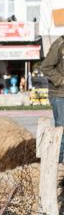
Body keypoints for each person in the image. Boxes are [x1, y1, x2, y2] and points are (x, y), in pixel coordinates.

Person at [41, 34, 64, 162]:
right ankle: (57, 165)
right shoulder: (59, 45)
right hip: (60, 95)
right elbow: (45, 67)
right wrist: (61, 81)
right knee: (61, 131)